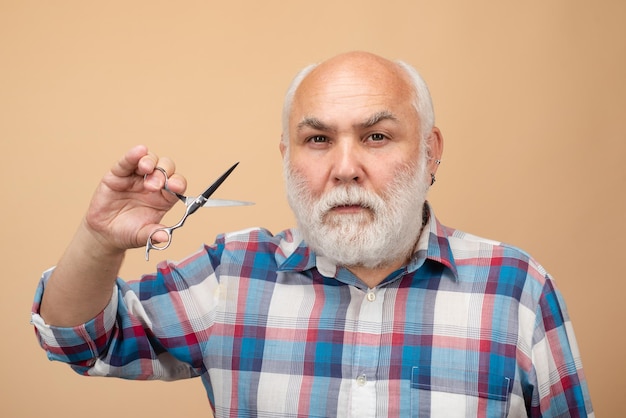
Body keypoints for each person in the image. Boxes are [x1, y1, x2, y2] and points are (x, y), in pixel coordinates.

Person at [31, 51, 593, 417]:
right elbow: (79, 341)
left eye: (376, 137)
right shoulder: (232, 275)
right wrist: (100, 237)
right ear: (287, 157)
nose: (344, 167)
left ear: (431, 152)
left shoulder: (517, 288)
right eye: (318, 140)